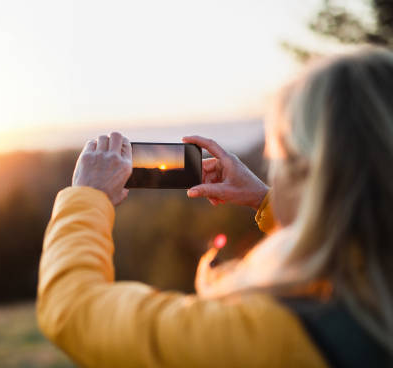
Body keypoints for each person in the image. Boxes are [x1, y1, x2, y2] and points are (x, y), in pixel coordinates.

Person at [36, 47, 393, 368]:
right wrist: (266, 199)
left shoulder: (271, 334)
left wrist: (88, 195)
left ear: (304, 170)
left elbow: (71, 309)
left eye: (277, 156)